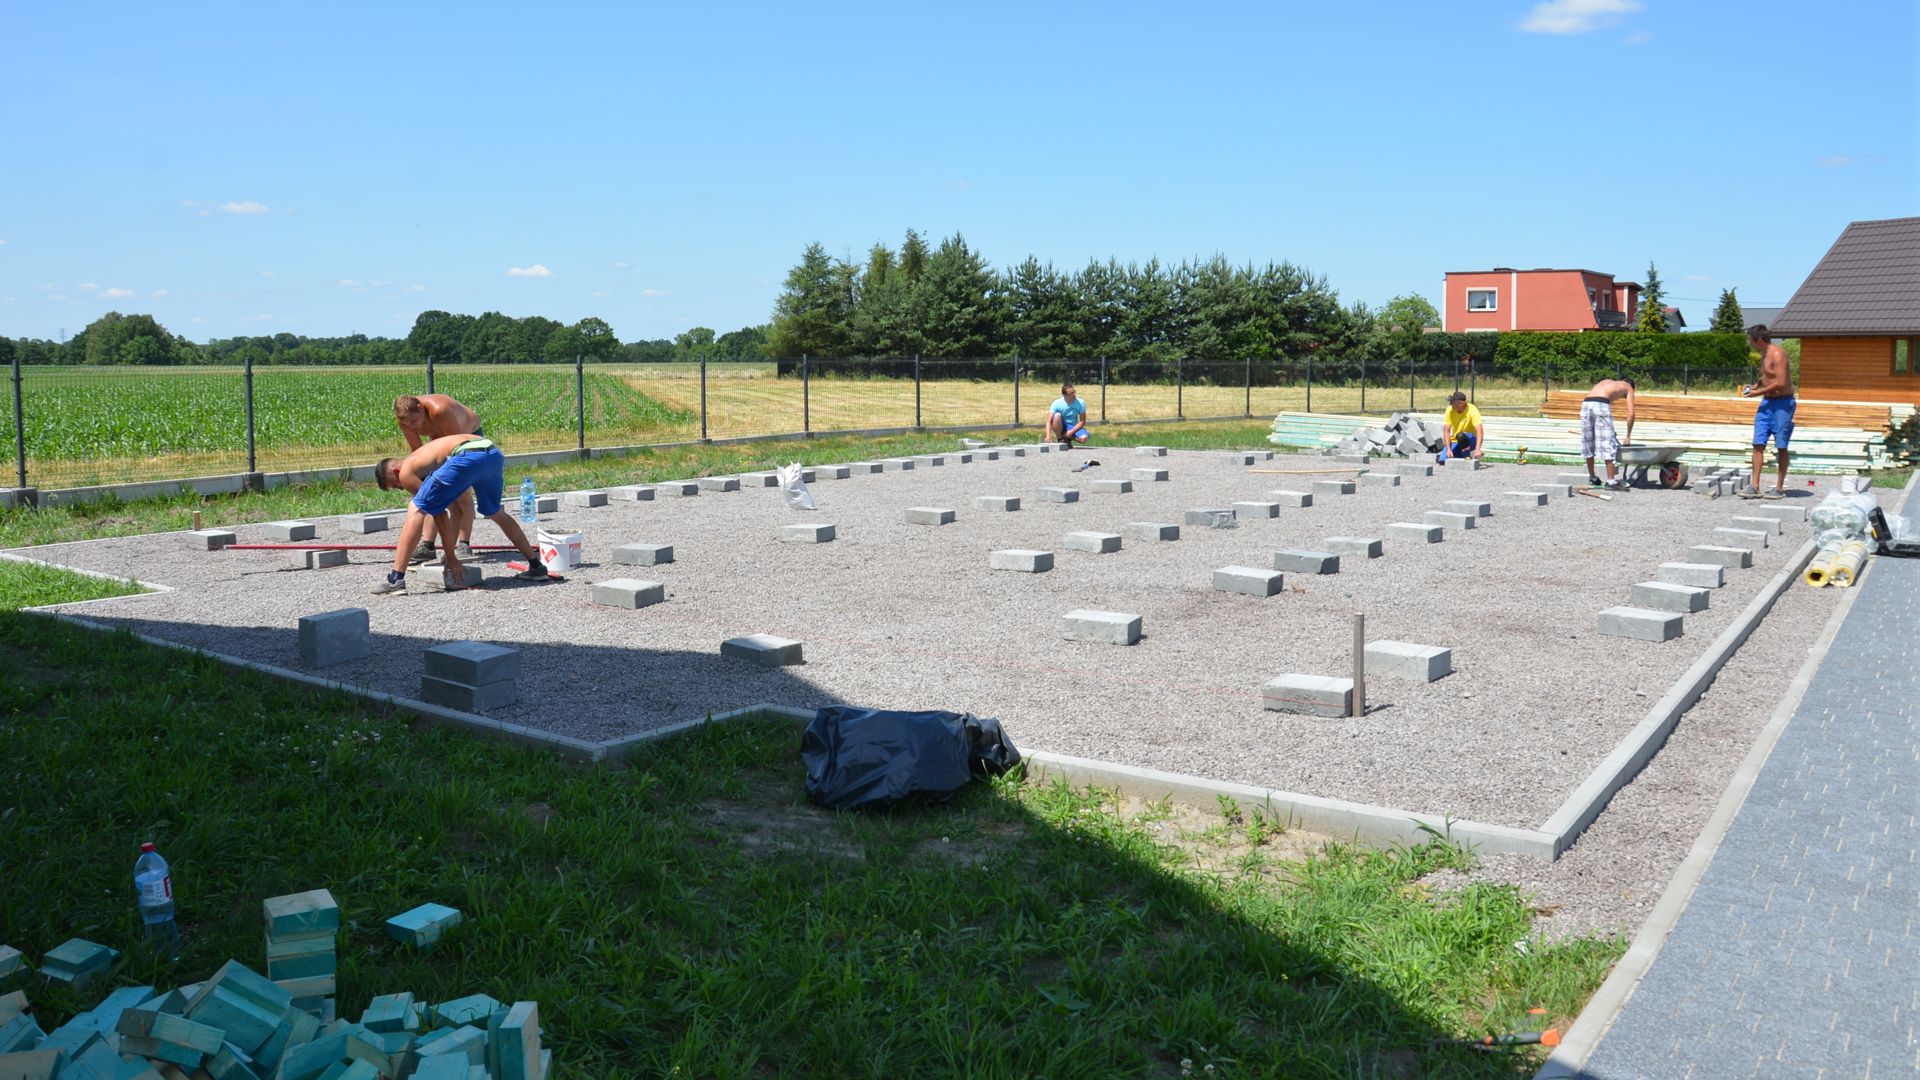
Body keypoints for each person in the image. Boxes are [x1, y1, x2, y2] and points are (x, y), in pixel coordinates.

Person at [370, 434, 547, 595]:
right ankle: (536, 566)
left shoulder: (406, 471)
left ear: (395, 472)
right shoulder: (428, 459)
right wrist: (449, 555)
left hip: (466, 456)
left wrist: (452, 557)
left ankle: (396, 579)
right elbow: (455, 509)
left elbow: (438, 513)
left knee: (415, 508)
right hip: (491, 453)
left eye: (395, 485)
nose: (401, 488)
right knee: (494, 511)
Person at [395, 394, 483, 561]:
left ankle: (464, 543)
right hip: (440, 440)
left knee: (461, 491)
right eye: (407, 424)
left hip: (467, 438)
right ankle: (427, 545)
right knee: (431, 490)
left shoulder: (440, 410)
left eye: (413, 421)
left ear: (420, 408)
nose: (411, 427)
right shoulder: (405, 421)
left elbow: (459, 447)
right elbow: (418, 452)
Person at [1741, 325, 1796, 499]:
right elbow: (1767, 375)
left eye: (1750, 340)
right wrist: (1756, 385)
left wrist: (1756, 393)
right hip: (1767, 403)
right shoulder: (1764, 354)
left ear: (1758, 340)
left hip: (1783, 404)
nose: (1749, 343)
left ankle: (1779, 488)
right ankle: (1754, 486)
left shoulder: (1778, 354)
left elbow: (1780, 382)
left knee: (1781, 446)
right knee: (1758, 443)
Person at [1579, 378, 1637, 489]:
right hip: (1601, 404)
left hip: (1586, 403)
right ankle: (1611, 481)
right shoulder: (1628, 387)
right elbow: (1631, 414)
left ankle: (1592, 477)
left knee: (1588, 443)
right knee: (1608, 442)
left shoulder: (1607, 382)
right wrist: (1628, 436)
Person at [1438, 392, 1485, 462]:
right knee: (1442, 461)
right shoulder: (1450, 410)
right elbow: (1446, 431)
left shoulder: (1472, 410)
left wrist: (1478, 449)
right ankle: (1459, 455)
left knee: (1461, 436)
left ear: (1461, 403)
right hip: (1456, 440)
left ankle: (1467, 455)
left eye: (1452, 402)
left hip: (1471, 440)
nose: (1450, 404)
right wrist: (1448, 449)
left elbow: (1480, 431)